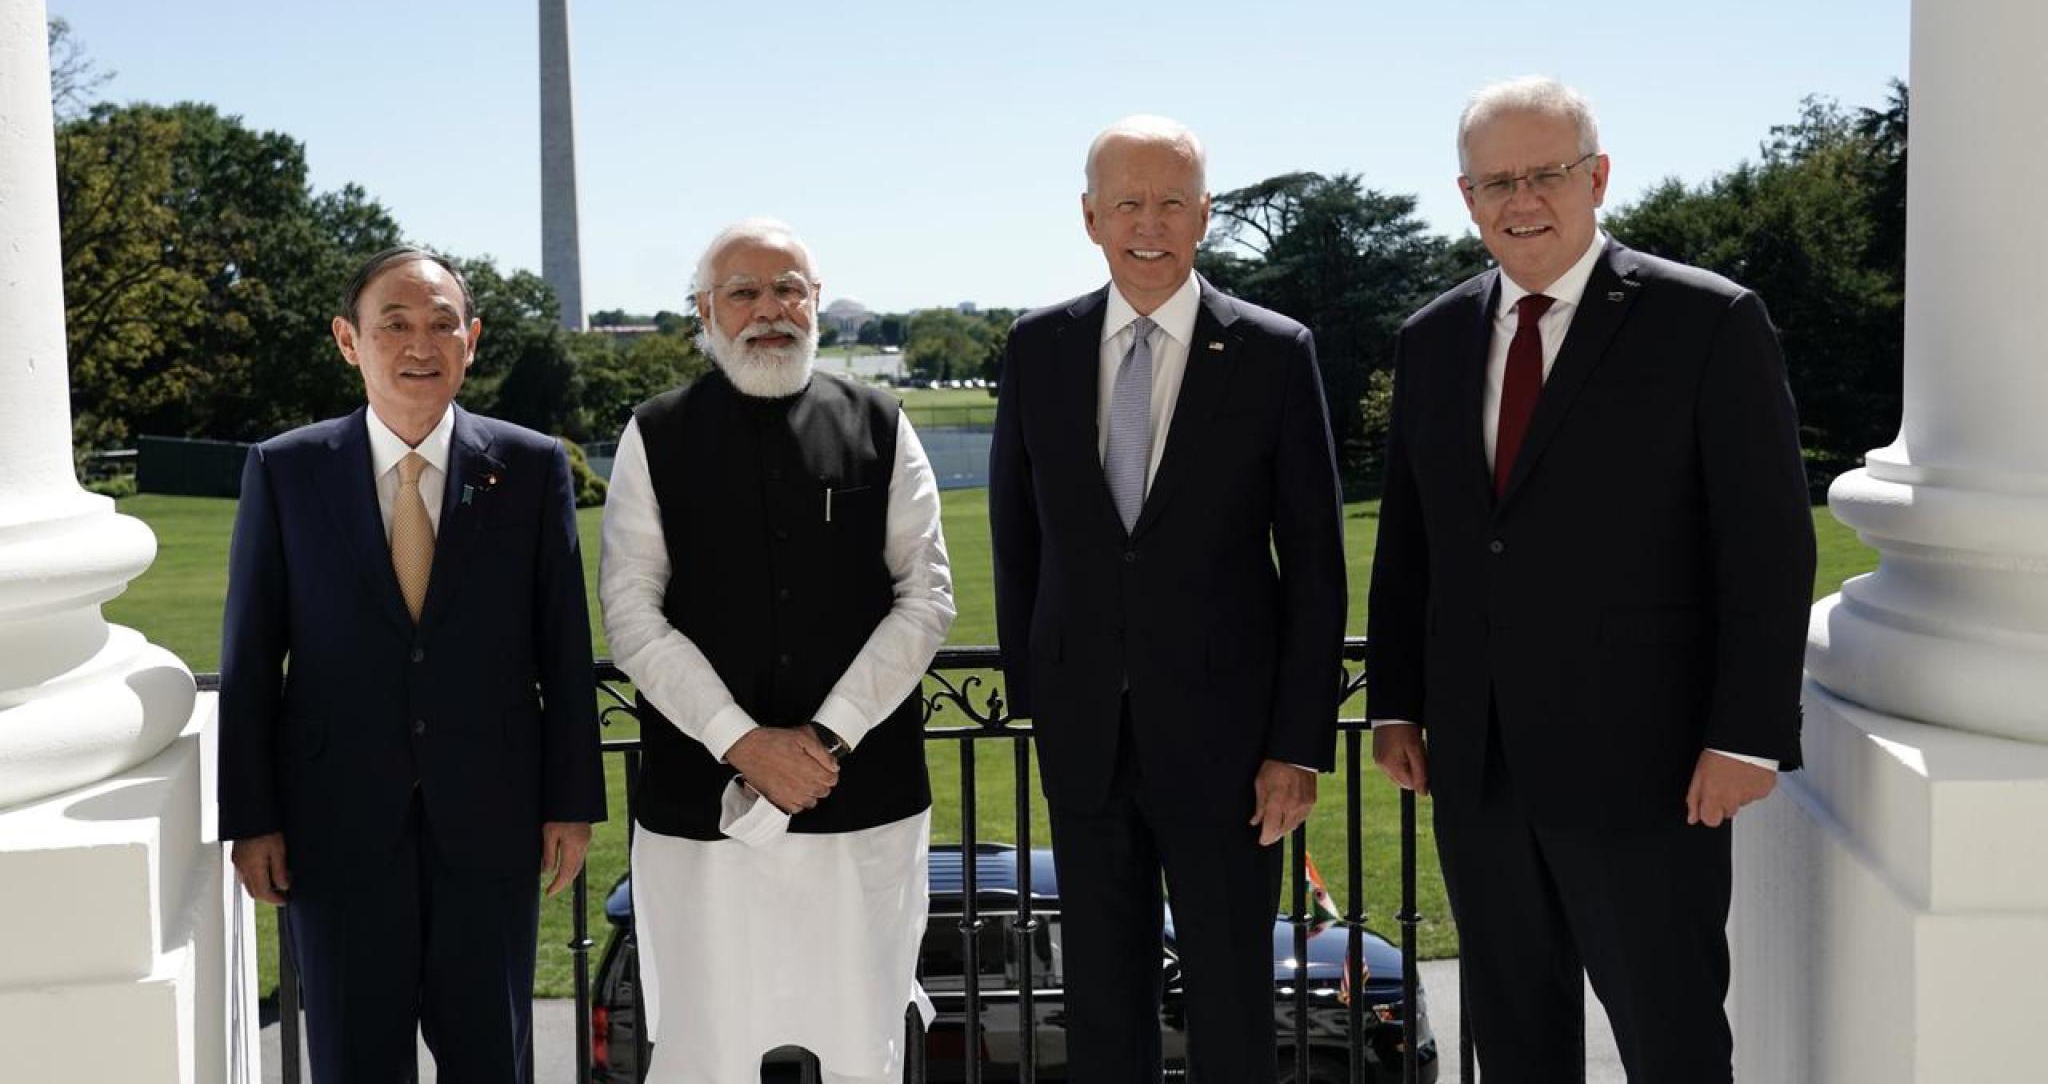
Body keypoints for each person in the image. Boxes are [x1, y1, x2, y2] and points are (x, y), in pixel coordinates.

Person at [1367, 77, 1816, 1083]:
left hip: (1648, 771)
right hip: (1477, 770)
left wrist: (1744, 734)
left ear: (1596, 177)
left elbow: (1766, 544)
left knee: (1669, 1038)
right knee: (1516, 1040)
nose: (1521, 200)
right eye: (1495, 182)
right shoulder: (1431, 339)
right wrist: (1395, 699)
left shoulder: (1705, 321)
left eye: (1545, 174)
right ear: (1465, 197)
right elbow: (1413, 542)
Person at [988, 116, 1347, 1082]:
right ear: (1091, 217)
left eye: (1173, 203)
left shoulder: (1275, 352)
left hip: (1234, 750)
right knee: (1103, 1003)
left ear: (1205, 215)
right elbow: (1019, 542)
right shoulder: (1037, 349)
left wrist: (1296, 744)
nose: (1151, 224)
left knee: (1235, 997)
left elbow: (1316, 563)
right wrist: (1040, 699)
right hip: (1085, 740)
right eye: (1130, 204)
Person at [218, 247, 606, 1082]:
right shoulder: (285, 470)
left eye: (440, 324)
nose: (419, 344)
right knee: (355, 1063)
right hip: (335, 832)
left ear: (471, 338)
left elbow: (563, 650)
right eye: (393, 323)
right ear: (348, 341)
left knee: (491, 1062)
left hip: (493, 827)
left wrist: (571, 804)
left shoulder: (531, 467)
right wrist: (252, 820)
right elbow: (250, 659)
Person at [600, 218, 955, 1084]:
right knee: (700, 1051)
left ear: (817, 301)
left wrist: (827, 738)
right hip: (700, 808)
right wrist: (742, 741)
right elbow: (632, 612)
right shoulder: (655, 434)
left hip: (864, 800)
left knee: (864, 1049)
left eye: (788, 288)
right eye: (745, 293)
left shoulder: (881, 421)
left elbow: (928, 595)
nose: (770, 310)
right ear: (705, 311)